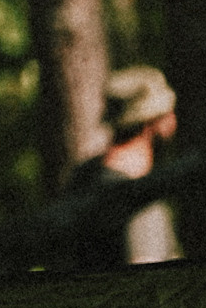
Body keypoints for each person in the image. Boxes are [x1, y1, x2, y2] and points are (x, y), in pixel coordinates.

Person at [61, 66, 181, 270]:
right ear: (153, 122)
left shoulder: (81, 179)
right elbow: (144, 287)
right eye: (168, 112)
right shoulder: (141, 199)